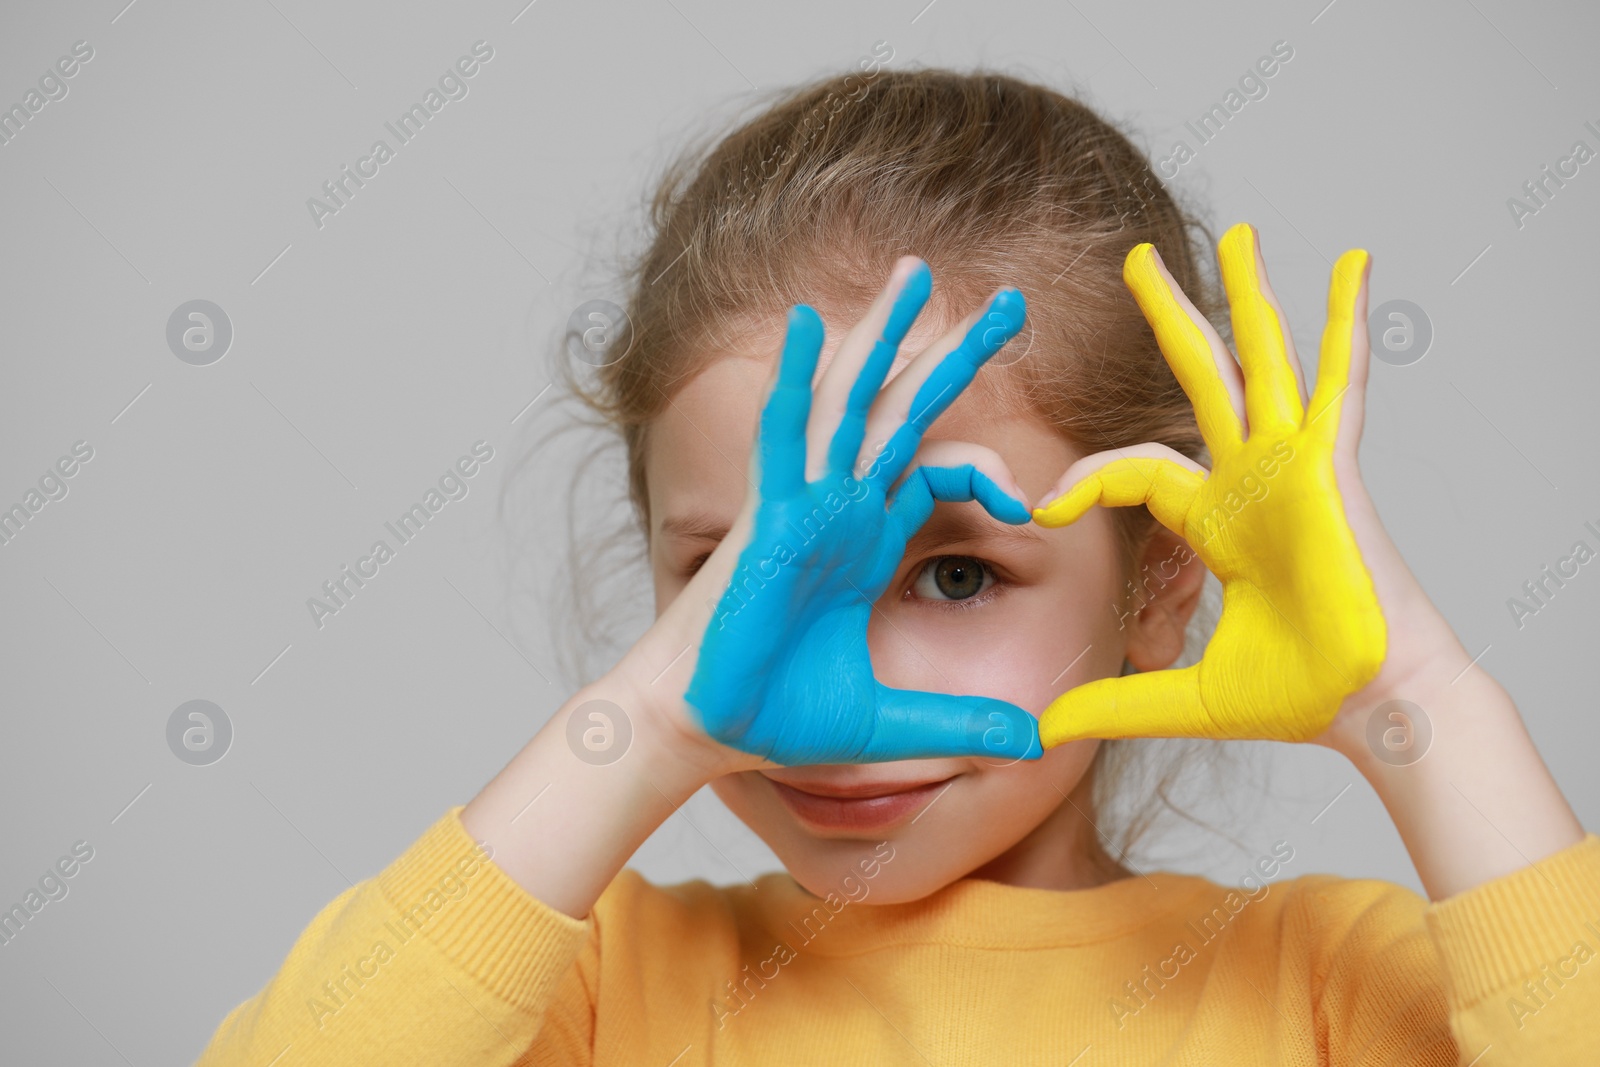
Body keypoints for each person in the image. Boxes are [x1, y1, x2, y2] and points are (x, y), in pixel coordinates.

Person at [197, 68, 1597, 1065]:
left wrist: (1420, 701)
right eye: (737, 570)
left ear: (1160, 582)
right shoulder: (601, 990)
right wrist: (641, 733)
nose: (838, 673)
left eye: (956, 577)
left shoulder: (1330, 995)